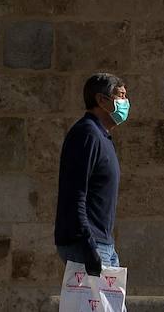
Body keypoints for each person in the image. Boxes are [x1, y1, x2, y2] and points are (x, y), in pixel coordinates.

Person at [54, 72, 130, 277]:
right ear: (101, 100)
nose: (125, 103)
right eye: (120, 96)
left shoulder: (101, 135)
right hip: (89, 245)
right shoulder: (87, 134)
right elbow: (75, 194)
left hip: (103, 244)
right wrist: (88, 248)